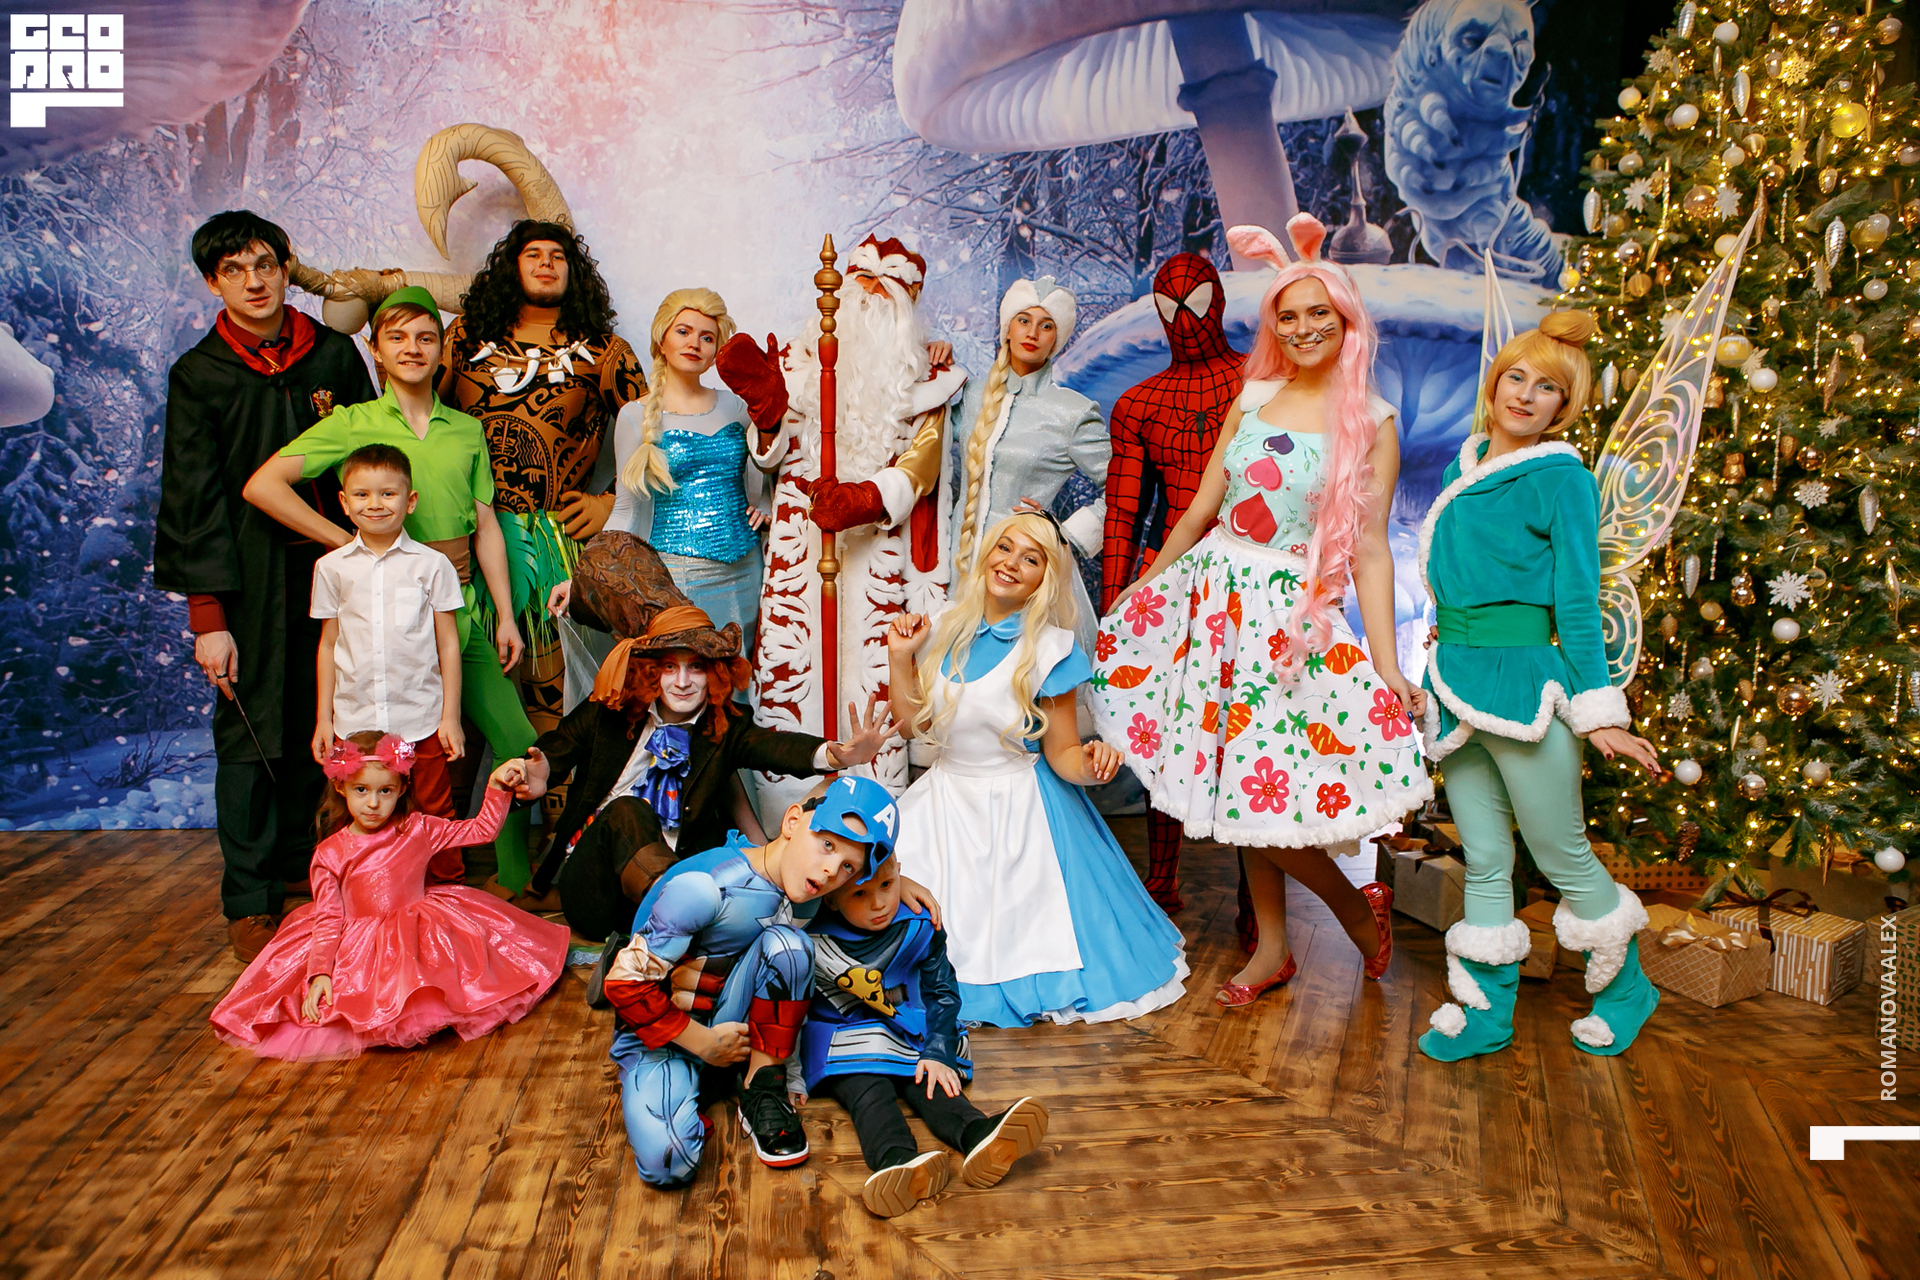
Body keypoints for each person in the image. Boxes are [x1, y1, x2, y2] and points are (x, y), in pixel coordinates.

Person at [1094, 215, 1431, 1008]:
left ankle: (1355, 907)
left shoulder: (1372, 420)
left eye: (1320, 313)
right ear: (1272, 325)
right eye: (1288, 315)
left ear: (1347, 320)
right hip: (1215, 603)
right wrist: (1145, 587)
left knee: (1263, 785)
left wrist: (1387, 664)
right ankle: (1273, 947)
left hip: (1288, 619)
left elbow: (1371, 550)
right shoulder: (1253, 398)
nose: (1304, 328)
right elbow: (1199, 510)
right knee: (1237, 785)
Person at [1417, 312, 1663, 1062]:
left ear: (1565, 404)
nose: (1525, 395)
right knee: (1486, 859)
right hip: (1454, 681)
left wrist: (1597, 711)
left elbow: (1577, 601)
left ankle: (1628, 990)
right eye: (1516, 377)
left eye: (1546, 387)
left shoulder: (1564, 478)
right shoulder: (1463, 467)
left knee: (1561, 856)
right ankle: (1487, 1014)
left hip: (1526, 684)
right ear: (1495, 385)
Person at [243, 287, 540, 890]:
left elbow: (485, 526)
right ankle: (379, 884)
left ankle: (513, 881)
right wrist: (347, 545)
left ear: (442, 350)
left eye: (426, 337)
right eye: (397, 337)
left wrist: (506, 615)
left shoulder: (466, 430)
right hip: (384, 624)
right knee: (387, 770)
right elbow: (263, 485)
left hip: (456, 612)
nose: (412, 348)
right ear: (375, 350)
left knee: (517, 739)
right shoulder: (353, 424)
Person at [155, 210, 378, 962]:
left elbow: (370, 462)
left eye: (265, 265)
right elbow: (193, 497)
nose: (253, 282)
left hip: (334, 570)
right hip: (246, 577)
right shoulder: (201, 375)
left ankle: (308, 872)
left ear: (286, 269)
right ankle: (250, 897)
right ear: (213, 283)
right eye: (234, 271)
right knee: (252, 734)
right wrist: (207, 617)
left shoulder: (333, 356)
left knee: (330, 721)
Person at [515, 536, 899, 941]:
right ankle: (677, 923)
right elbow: (557, 749)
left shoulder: (725, 727)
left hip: (683, 887)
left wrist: (838, 755)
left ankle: (666, 931)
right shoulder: (610, 712)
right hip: (597, 890)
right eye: (669, 667)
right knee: (628, 811)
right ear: (651, 671)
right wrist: (536, 773)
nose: (682, 682)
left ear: (714, 673)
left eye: (695, 667)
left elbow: (775, 747)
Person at [888, 511, 1189, 1026]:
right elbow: (913, 726)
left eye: (1031, 559)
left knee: (1031, 933)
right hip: (943, 803)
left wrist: (1094, 767)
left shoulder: (1051, 649)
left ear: (1046, 577)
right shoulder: (942, 624)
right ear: (987, 552)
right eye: (1005, 548)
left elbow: (1065, 755)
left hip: (1019, 808)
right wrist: (901, 657)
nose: (1011, 564)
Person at [717, 235, 966, 801]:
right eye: (862, 286)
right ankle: (787, 816)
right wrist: (768, 417)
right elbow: (767, 460)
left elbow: (924, 462)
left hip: (878, 555)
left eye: (885, 291)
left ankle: (866, 816)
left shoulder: (926, 380)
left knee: (871, 681)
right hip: (800, 550)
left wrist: (867, 499)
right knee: (792, 676)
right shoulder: (797, 365)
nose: (870, 298)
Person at [599, 776, 899, 1185]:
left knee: (791, 946)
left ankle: (762, 1085)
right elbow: (624, 985)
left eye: (849, 866)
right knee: (668, 1164)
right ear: (792, 822)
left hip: (734, 1030)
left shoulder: (807, 895)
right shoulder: (706, 887)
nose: (831, 870)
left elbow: (866, 891)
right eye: (828, 844)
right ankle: (696, 1088)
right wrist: (704, 1044)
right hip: (667, 1035)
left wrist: (906, 885)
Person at [208, 732, 568, 1060]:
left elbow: (482, 830)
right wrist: (320, 974)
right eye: (361, 790)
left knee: (441, 979)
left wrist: (496, 786)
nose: (373, 804)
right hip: (358, 944)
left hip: (417, 930)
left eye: (385, 791)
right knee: (344, 1003)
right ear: (341, 787)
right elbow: (329, 918)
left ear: (401, 789)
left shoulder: (418, 828)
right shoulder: (330, 854)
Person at [438, 221, 646, 769]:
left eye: (558, 255)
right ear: (512, 266)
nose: (547, 263)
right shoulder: (463, 339)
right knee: (457, 686)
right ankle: (455, 823)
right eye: (533, 254)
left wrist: (609, 502)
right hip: (464, 540)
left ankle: (557, 815)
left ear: (573, 273)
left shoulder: (603, 351)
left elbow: (656, 434)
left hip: (550, 545)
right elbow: (419, 419)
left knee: (550, 694)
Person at [1097, 253, 1246, 917]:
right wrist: (1114, 607)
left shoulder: (1260, 384)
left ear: (1219, 301)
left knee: (1250, 730)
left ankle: (1256, 899)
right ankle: (1161, 877)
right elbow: (1123, 514)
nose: (1185, 321)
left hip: (1249, 570)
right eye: (1170, 308)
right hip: (1173, 575)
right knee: (1165, 723)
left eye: (1197, 303)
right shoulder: (1139, 404)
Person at [788, 851, 1051, 1218]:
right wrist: (790, 1072)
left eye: (887, 885)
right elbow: (790, 1003)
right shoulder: (807, 938)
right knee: (868, 1092)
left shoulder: (918, 926)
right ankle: (897, 1162)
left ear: (900, 873)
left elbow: (942, 992)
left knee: (931, 1082)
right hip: (844, 1043)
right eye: (860, 894)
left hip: (909, 1032)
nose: (879, 903)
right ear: (831, 898)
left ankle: (979, 1134)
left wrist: (939, 1050)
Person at [551, 287, 767, 653]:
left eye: (707, 337)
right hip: (676, 576)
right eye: (683, 331)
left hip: (746, 571)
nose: (694, 343)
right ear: (661, 339)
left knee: (742, 675)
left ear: (716, 350)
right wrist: (583, 581)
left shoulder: (736, 406)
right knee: (688, 674)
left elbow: (773, 460)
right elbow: (625, 510)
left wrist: (766, 502)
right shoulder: (634, 416)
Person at [309, 444, 466, 879]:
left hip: (419, 719)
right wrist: (324, 719)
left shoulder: (432, 565)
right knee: (353, 812)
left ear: (410, 500)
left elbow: (448, 645)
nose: (375, 504)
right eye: (362, 494)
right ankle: (357, 894)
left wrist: (449, 717)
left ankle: (447, 896)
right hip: (355, 722)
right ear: (344, 502)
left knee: (433, 809)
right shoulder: (331, 568)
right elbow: (328, 645)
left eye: (388, 494)